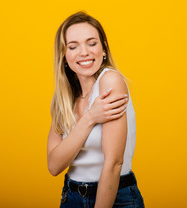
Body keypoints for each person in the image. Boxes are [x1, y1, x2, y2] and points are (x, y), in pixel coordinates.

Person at [47, 11, 145, 208]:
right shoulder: (63, 99)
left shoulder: (110, 81)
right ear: (65, 56)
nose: (84, 52)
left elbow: (114, 163)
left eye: (92, 43)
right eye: (73, 46)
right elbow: (54, 165)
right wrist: (90, 117)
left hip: (116, 198)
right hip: (71, 196)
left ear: (104, 49)